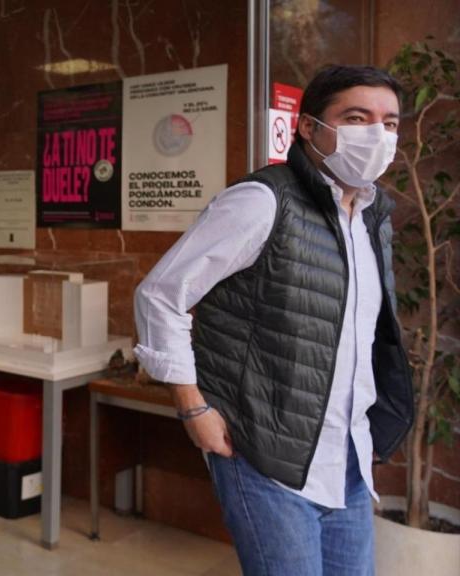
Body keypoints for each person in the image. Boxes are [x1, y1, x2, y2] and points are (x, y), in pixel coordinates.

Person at [134, 65, 413, 575]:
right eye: (356, 117)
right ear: (308, 127)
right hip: (263, 456)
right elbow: (160, 295)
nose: (377, 135)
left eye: (389, 123)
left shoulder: (371, 216)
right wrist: (193, 409)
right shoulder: (264, 201)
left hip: (347, 460)